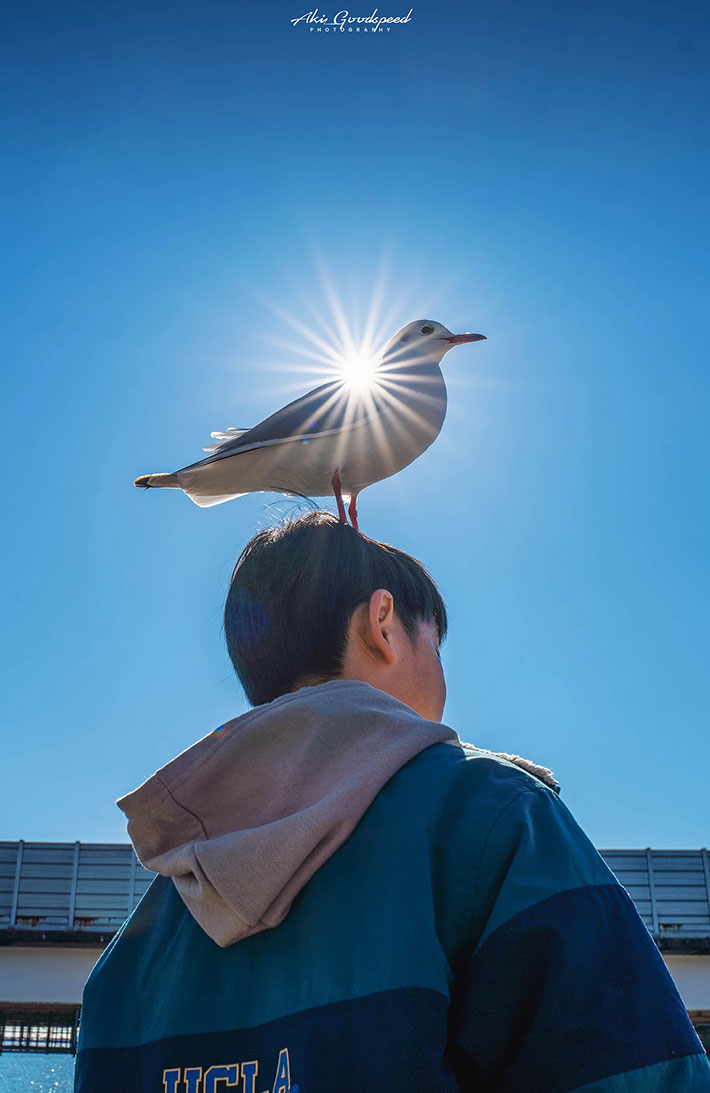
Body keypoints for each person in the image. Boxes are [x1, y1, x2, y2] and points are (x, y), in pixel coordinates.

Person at [75, 512, 710, 1092]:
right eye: (435, 644)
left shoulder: (138, 944)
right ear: (383, 624)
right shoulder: (492, 815)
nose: (441, 672)